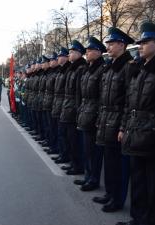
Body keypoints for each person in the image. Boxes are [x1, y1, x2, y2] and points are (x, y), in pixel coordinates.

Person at [94, 27, 138, 213]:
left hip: (119, 121)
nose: (108, 47)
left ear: (122, 44)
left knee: (119, 165)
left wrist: (123, 126)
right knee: (109, 162)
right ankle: (110, 194)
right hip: (107, 120)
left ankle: (118, 199)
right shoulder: (111, 66)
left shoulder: (128, 67)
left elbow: (130, 100)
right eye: (108, 44)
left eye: (111, 44)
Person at [117, 21, 155, 225]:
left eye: (146, 41)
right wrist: (123, 127)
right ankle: (137, 219)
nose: (140, 45)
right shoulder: (139, 70)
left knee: (152, 184)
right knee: (138, 180)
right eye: (139, 42)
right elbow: (128, 103)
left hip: (151, 135)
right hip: (135, 132)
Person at [75, 37, 107, 191]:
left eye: (89, 50)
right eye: (86, 50)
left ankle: (93, 179)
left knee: (94, 152)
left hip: (94, 115)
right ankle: (88, 176)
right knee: (87, 149)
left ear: (98, 52)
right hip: (86, 113)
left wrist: (99, 117)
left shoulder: (102, 70)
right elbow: (83, 95)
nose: (86, 52)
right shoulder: (88, 69)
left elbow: (103, 97)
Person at [60, 40, 87, 175]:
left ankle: (78, 166)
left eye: (71, 52)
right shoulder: (73, 68)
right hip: (68, 108)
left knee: (75, 141)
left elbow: (79, 93)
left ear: (79, 53)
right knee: (70, 138)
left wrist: (77, 111)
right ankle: (73, 163)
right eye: (69, 52)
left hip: (74, 110)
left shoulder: (80, 69)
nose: (69, 55)